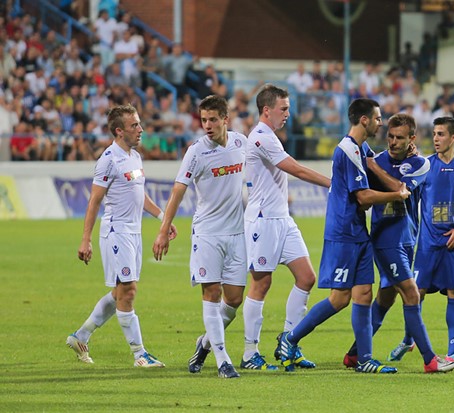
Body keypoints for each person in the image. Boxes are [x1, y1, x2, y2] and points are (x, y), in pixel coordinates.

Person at [277, 98, 410, 374]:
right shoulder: (347, 150)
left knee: (363, 293)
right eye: (377, 118)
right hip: (343, 232)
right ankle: (289, 339)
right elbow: (362, 196)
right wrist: (396, 194)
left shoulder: (361, 148)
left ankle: (364, 359)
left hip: (358, 230)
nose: (380, 122)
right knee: (340, 298)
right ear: (364, 120)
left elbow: (374, 169)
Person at [341, 113, 454, 373]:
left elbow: (402, 188)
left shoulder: (420, 164)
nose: (393, 142)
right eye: (390, 137)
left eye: (400, 138)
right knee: (412, 293)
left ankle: (353, 355)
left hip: (407, 240)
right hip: (386, 240)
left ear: (412, 139)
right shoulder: (376, 160)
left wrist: (374, 167)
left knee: (385, 300)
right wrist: (371, 165)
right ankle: (430, 360)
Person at [67, 104, 177, 367]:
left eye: (139, 123)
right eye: (134, 126)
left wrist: (163, 218)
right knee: (128, 291)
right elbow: (94, 201)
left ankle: (80, 336)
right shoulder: (108, 159)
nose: (140, 129)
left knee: (120, 292)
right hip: (116, 232)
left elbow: (140, 195)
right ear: (119, 131)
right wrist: (86, 239)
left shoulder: (135, 156)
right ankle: (140, 354)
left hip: (133, 232)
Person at [152, 95, 247, 378]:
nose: (207, 125)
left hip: (237, 233)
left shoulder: (241, 143)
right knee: (211, 293)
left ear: (225, 119)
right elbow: (178, 190)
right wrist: (163, 229)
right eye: (203, 120)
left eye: (213, 120)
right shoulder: (196, 152)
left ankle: (204, 344)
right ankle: (223, 360)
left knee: (233, 300)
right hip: (207, 233)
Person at [240, 84, 331, 371]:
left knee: (306, 277)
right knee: (261, 283)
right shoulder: (261, 138)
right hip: (263, 220)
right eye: (283, 109)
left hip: (282, 219)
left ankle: (289, 341)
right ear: (266, 110)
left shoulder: (272, 137)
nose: (288, 114)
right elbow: (297, 169)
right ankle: (249, 352)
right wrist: (333, 183)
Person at [388, 116, 454, 366]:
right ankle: (409, 339)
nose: (436, 139)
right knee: (416, 294)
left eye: (441, 134)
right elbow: (406, 193)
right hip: (428, 244)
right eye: (434, 134)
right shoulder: (424, 166)